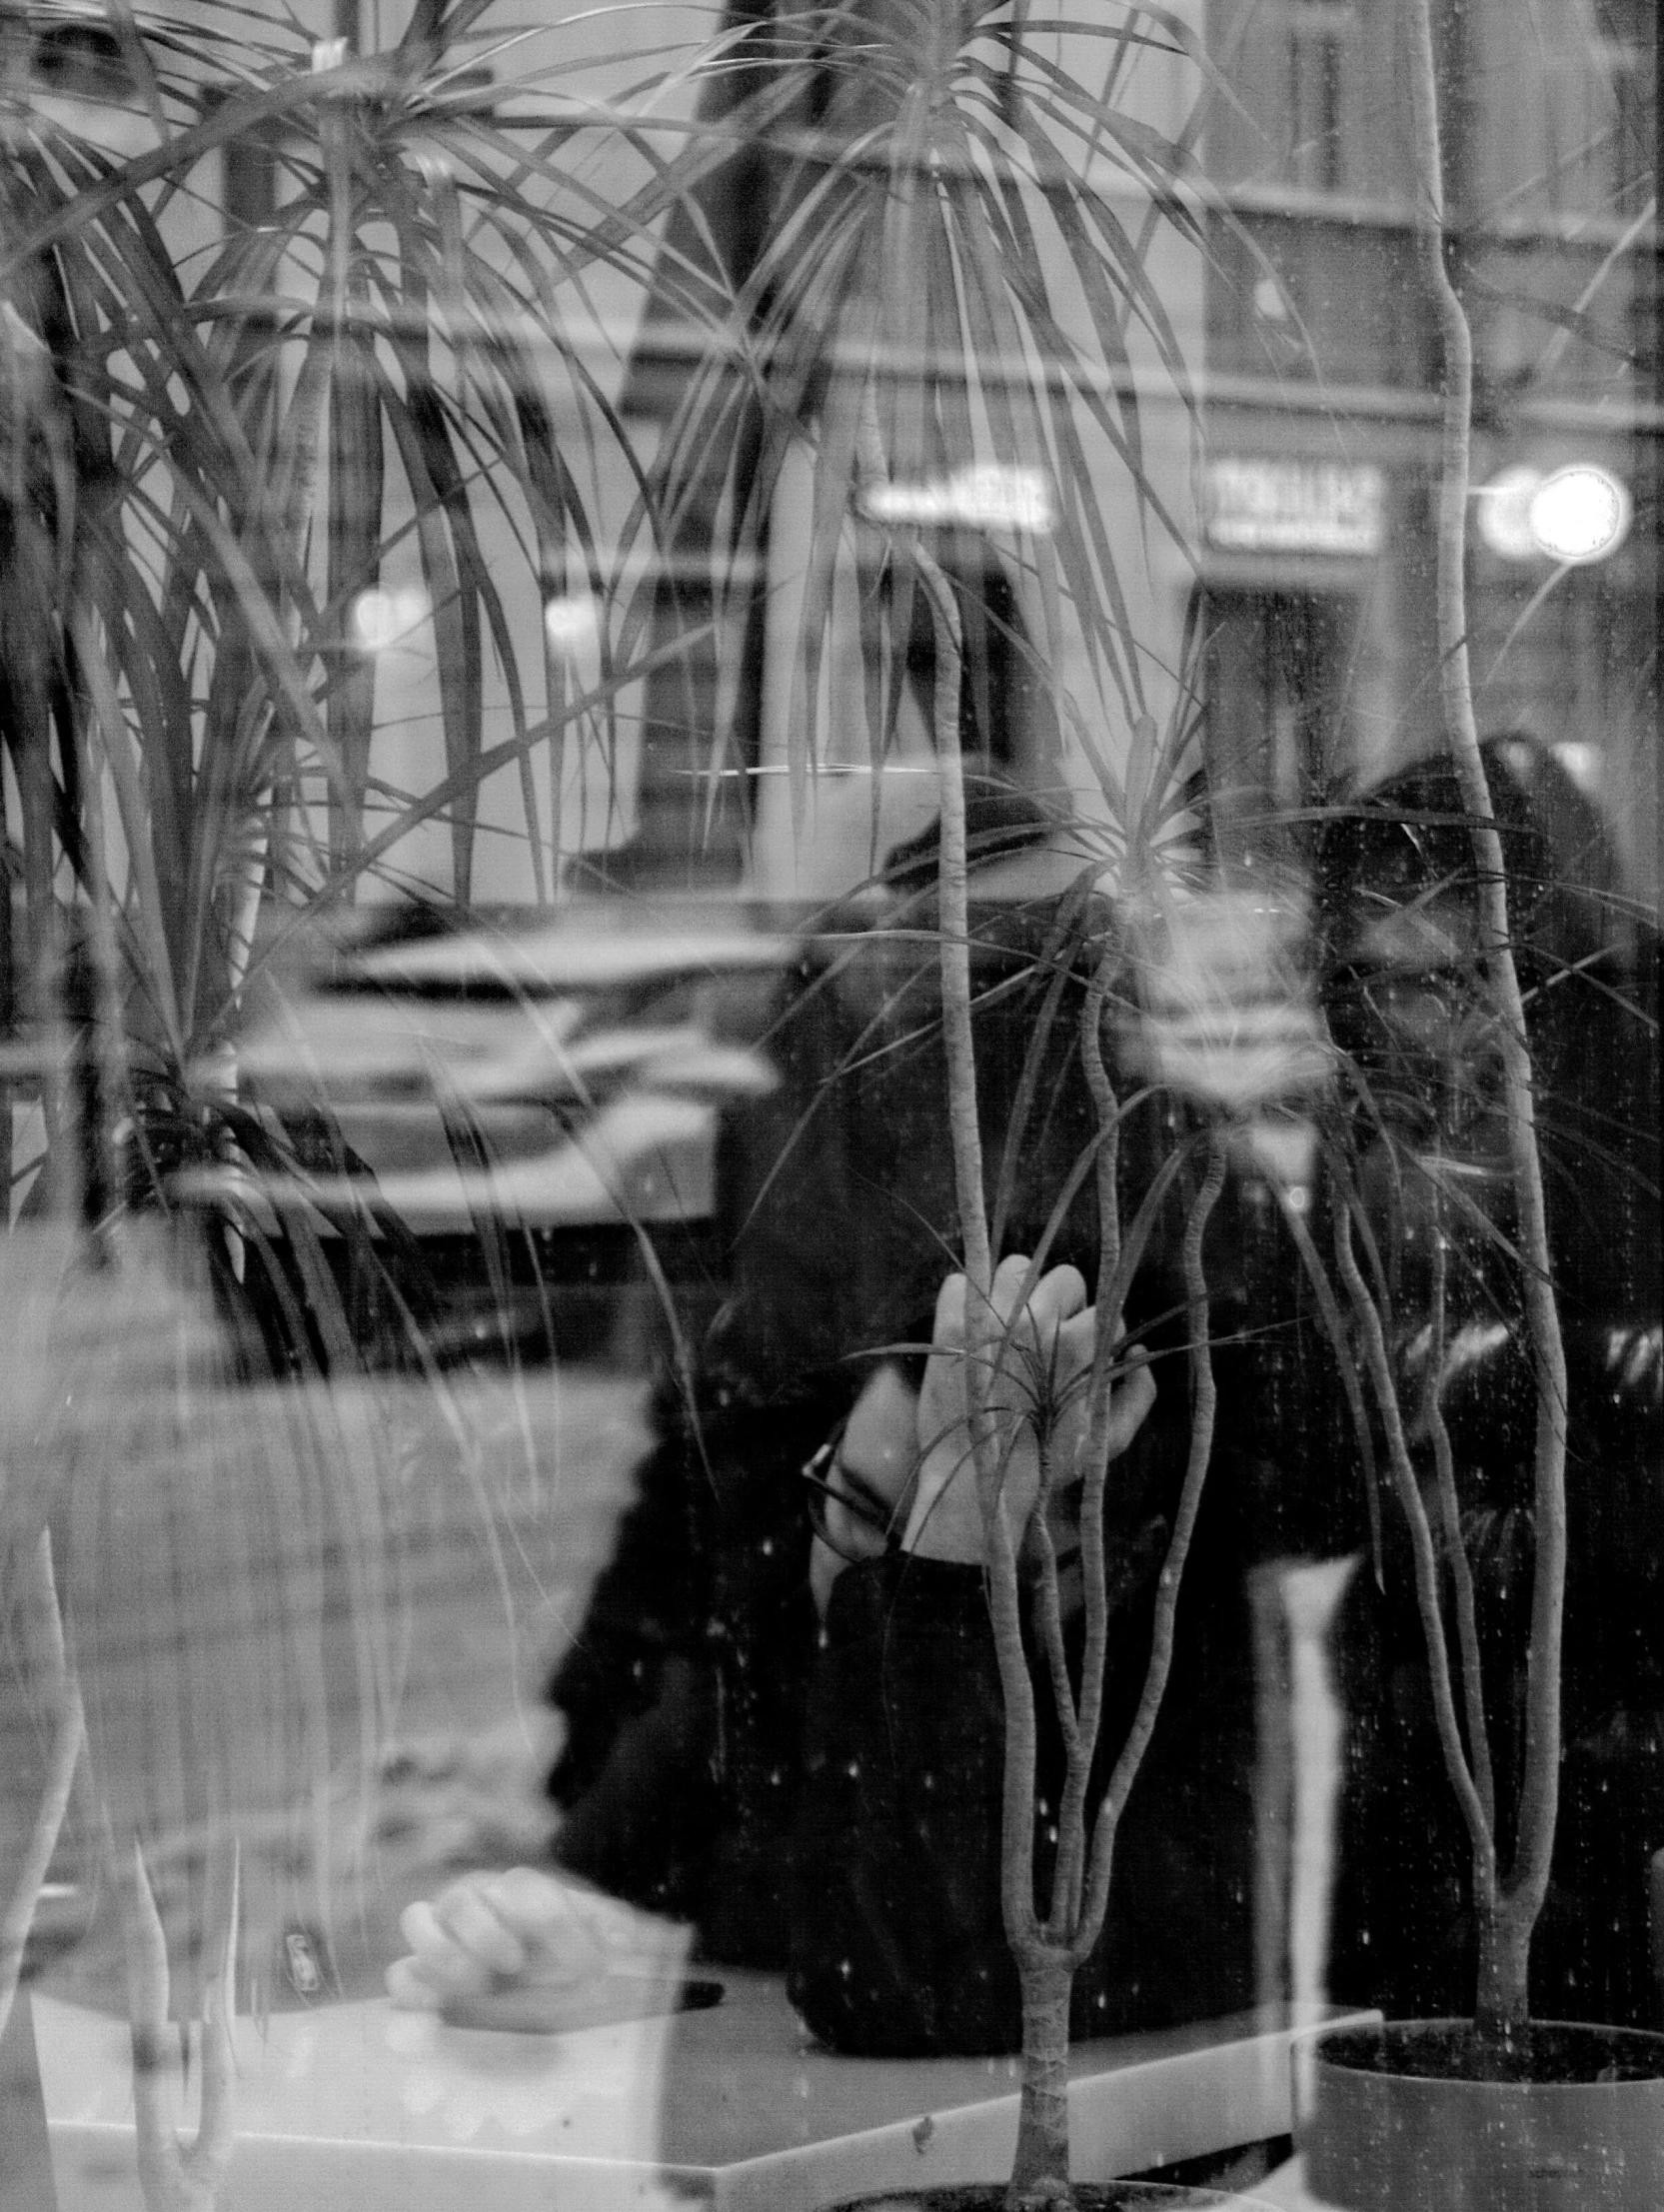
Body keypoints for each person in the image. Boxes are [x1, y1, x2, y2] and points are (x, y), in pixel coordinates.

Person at [389, 754, 1348, 2051]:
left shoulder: (1124, 1192)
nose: (904, 973)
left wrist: (598, 1841)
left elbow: (1050, 1606)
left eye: (961, 940)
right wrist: (583, 1796)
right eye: (869, 939)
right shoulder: (809, 1136)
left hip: (1019, 1885)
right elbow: (716, 1482)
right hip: (844, 1843)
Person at [1314, 735, 1663, 2030]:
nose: (1419, 1015)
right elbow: (1308, 1460)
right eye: (1379, 980)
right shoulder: (1354, 1122)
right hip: (1423, 1706)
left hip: (1607, 1710)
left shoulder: (1618, 1101)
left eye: (1458, 975)